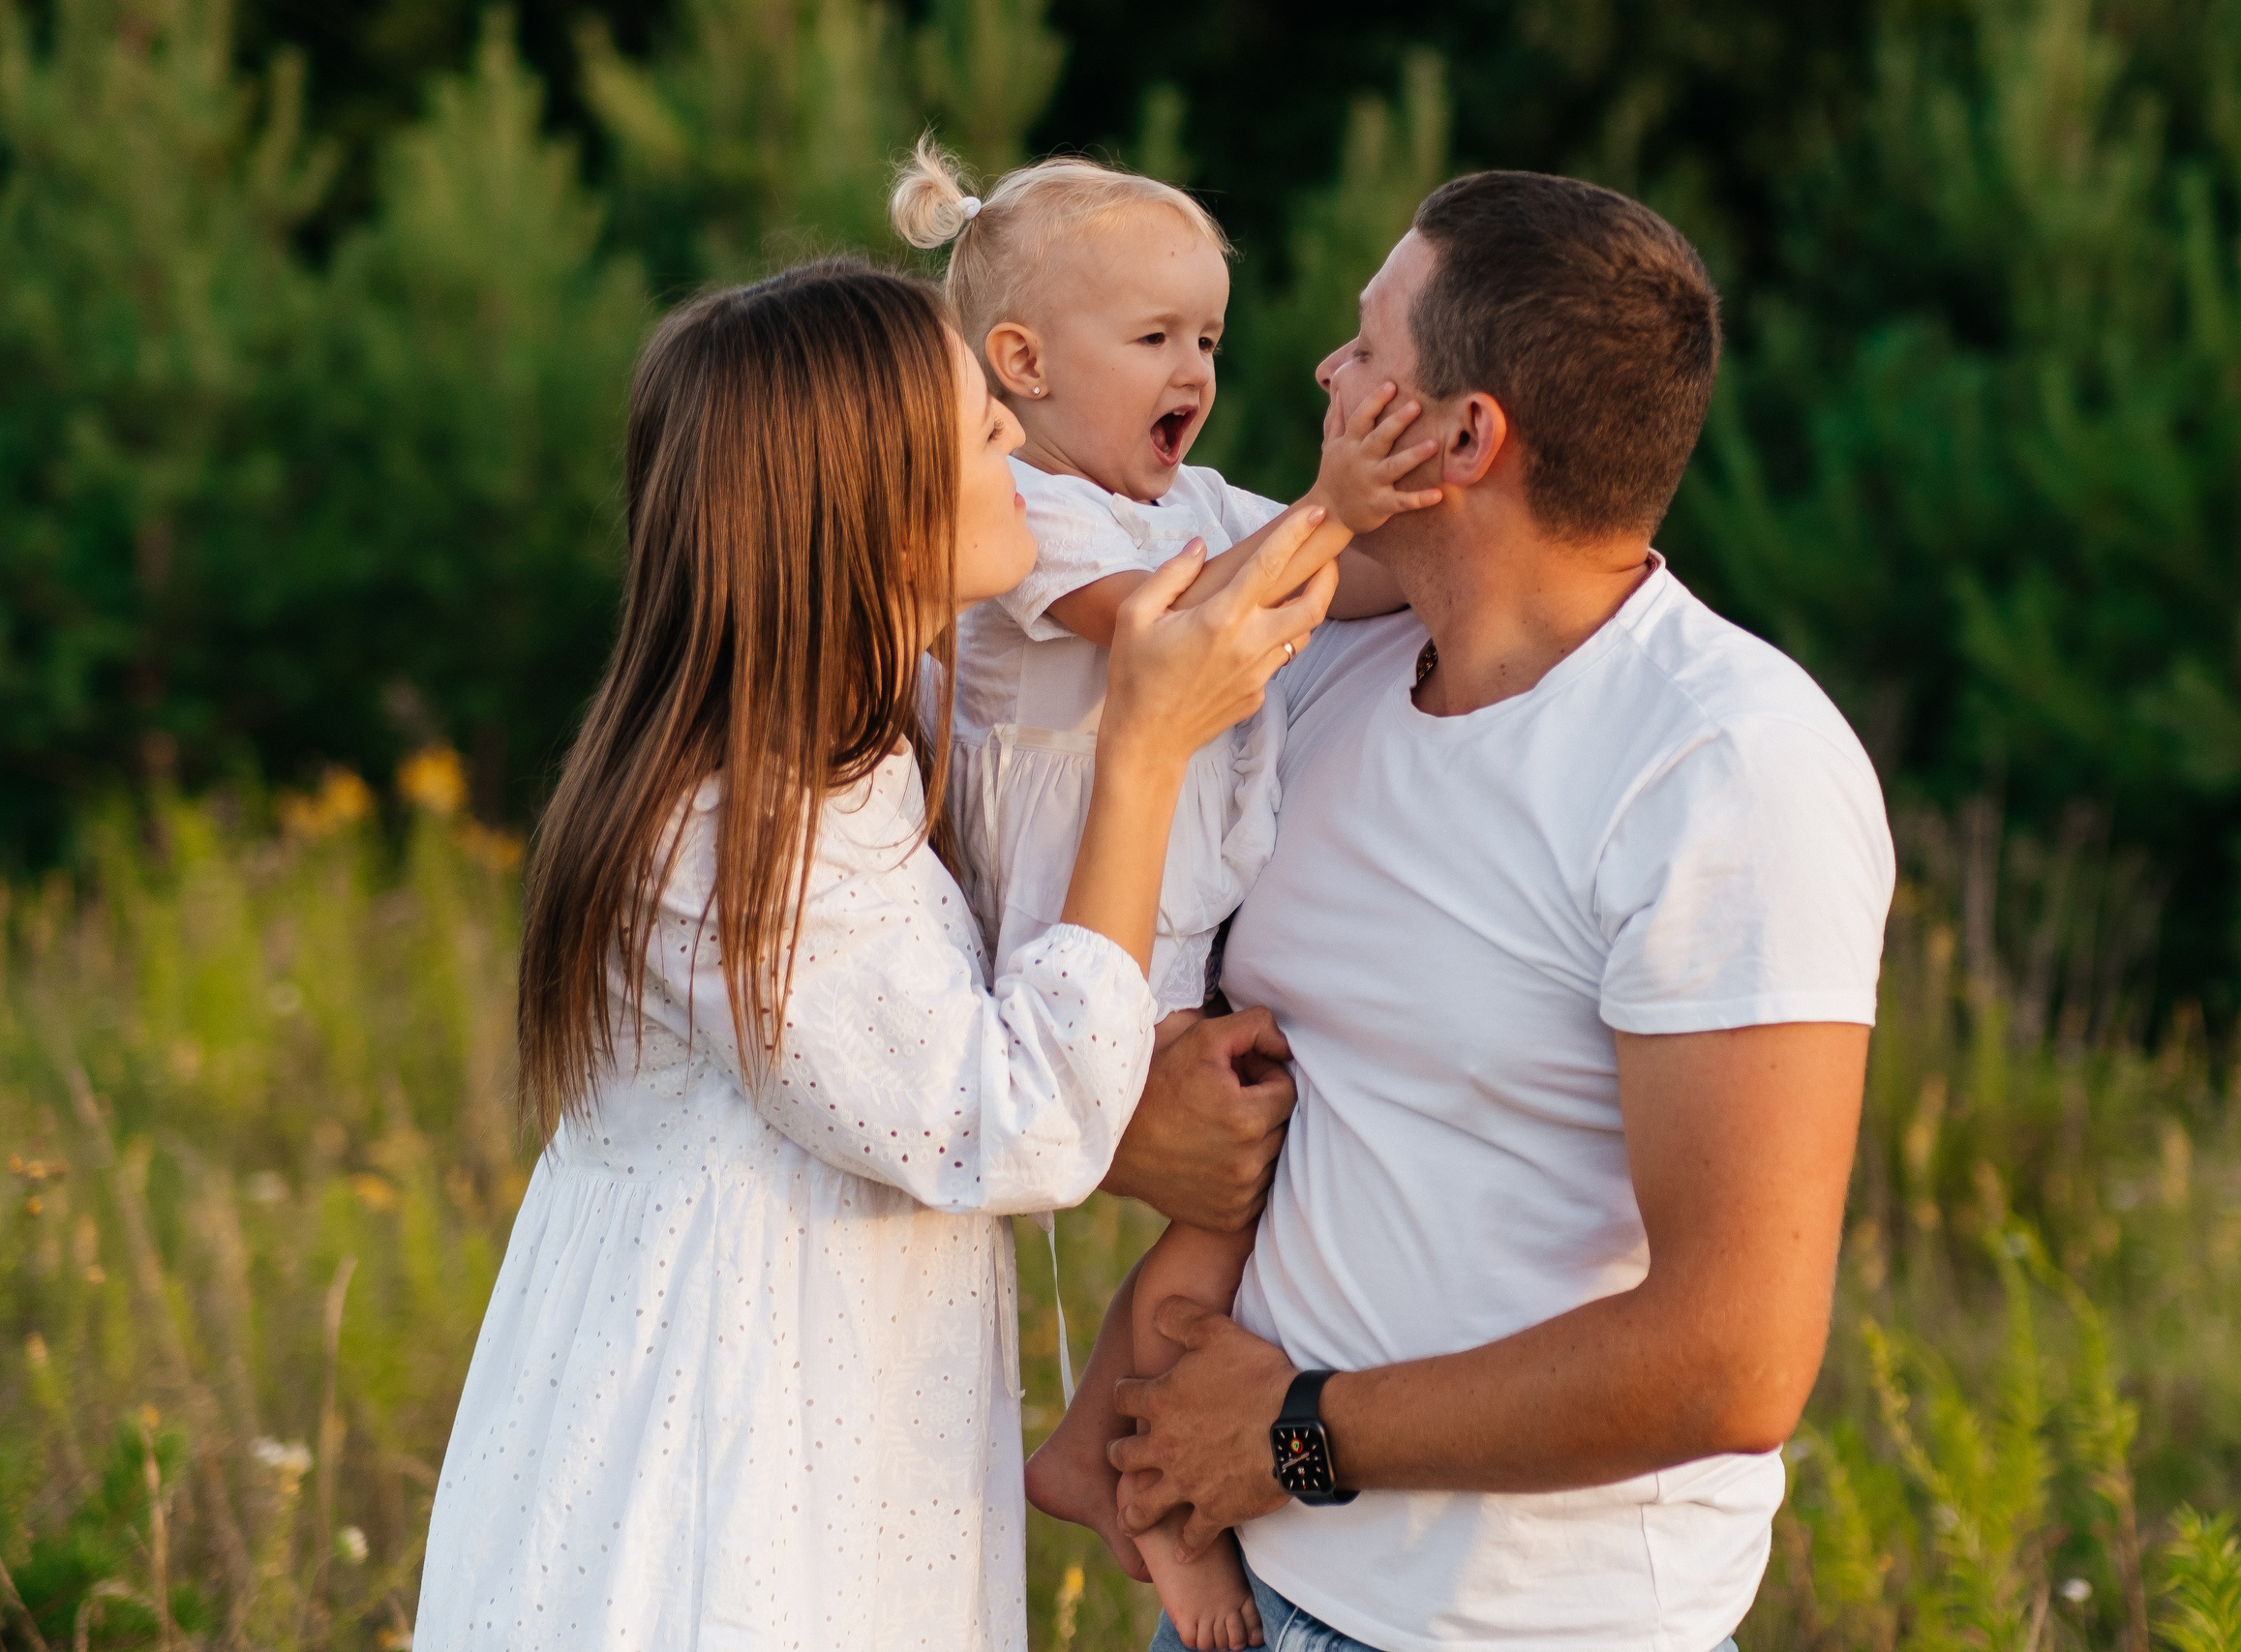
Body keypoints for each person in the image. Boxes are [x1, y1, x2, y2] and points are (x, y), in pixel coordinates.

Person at [410, 257, 1336, 1651]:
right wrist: (1147, 747)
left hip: (826, 1427)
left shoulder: (863, 733)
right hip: (720, 1482)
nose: (1017, 435)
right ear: (871, 508)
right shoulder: (733, 826)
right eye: (977, 426)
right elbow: (1008, 1121)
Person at [1099, 172, 1897, 1652]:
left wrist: (1294, 1434)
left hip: (1518, 1629)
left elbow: (1731, 1360)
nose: (1325, 374)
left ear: (1465, 437)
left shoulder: (1722, 765)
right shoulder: (1325, 674)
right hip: (1242, 1593)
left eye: (1368, 349)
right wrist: (1133, 1125)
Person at [889, 139, 1438, 1650]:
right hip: (1080, 934)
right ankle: (1147, 1487)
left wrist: (1438, 541)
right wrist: (1333, 506)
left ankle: (1101, 1451)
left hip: (1180, 930)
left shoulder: (1193, 493)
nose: (1195, 367)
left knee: (1243, 1195)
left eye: (1208, 337)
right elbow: (1181, 622)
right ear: (1022, 363)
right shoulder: (1024, 514)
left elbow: (1338, 585)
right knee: (1236, 1184)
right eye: (1154, 337)